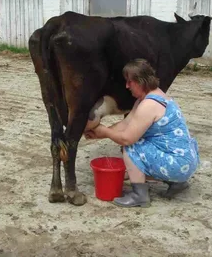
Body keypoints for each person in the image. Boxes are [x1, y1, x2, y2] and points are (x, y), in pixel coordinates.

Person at [85, 59, 200, 208]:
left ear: (140, 81)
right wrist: (99, 133)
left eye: (129, 82)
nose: (127, 86)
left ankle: (140, 196)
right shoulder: (152, 97)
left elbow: (127, 138)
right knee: (146, 146)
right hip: (185, 159)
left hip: (178, 164)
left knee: (132, 147)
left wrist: (105, 131)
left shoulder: (148, 105)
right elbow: (126, 124)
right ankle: (177, 183)